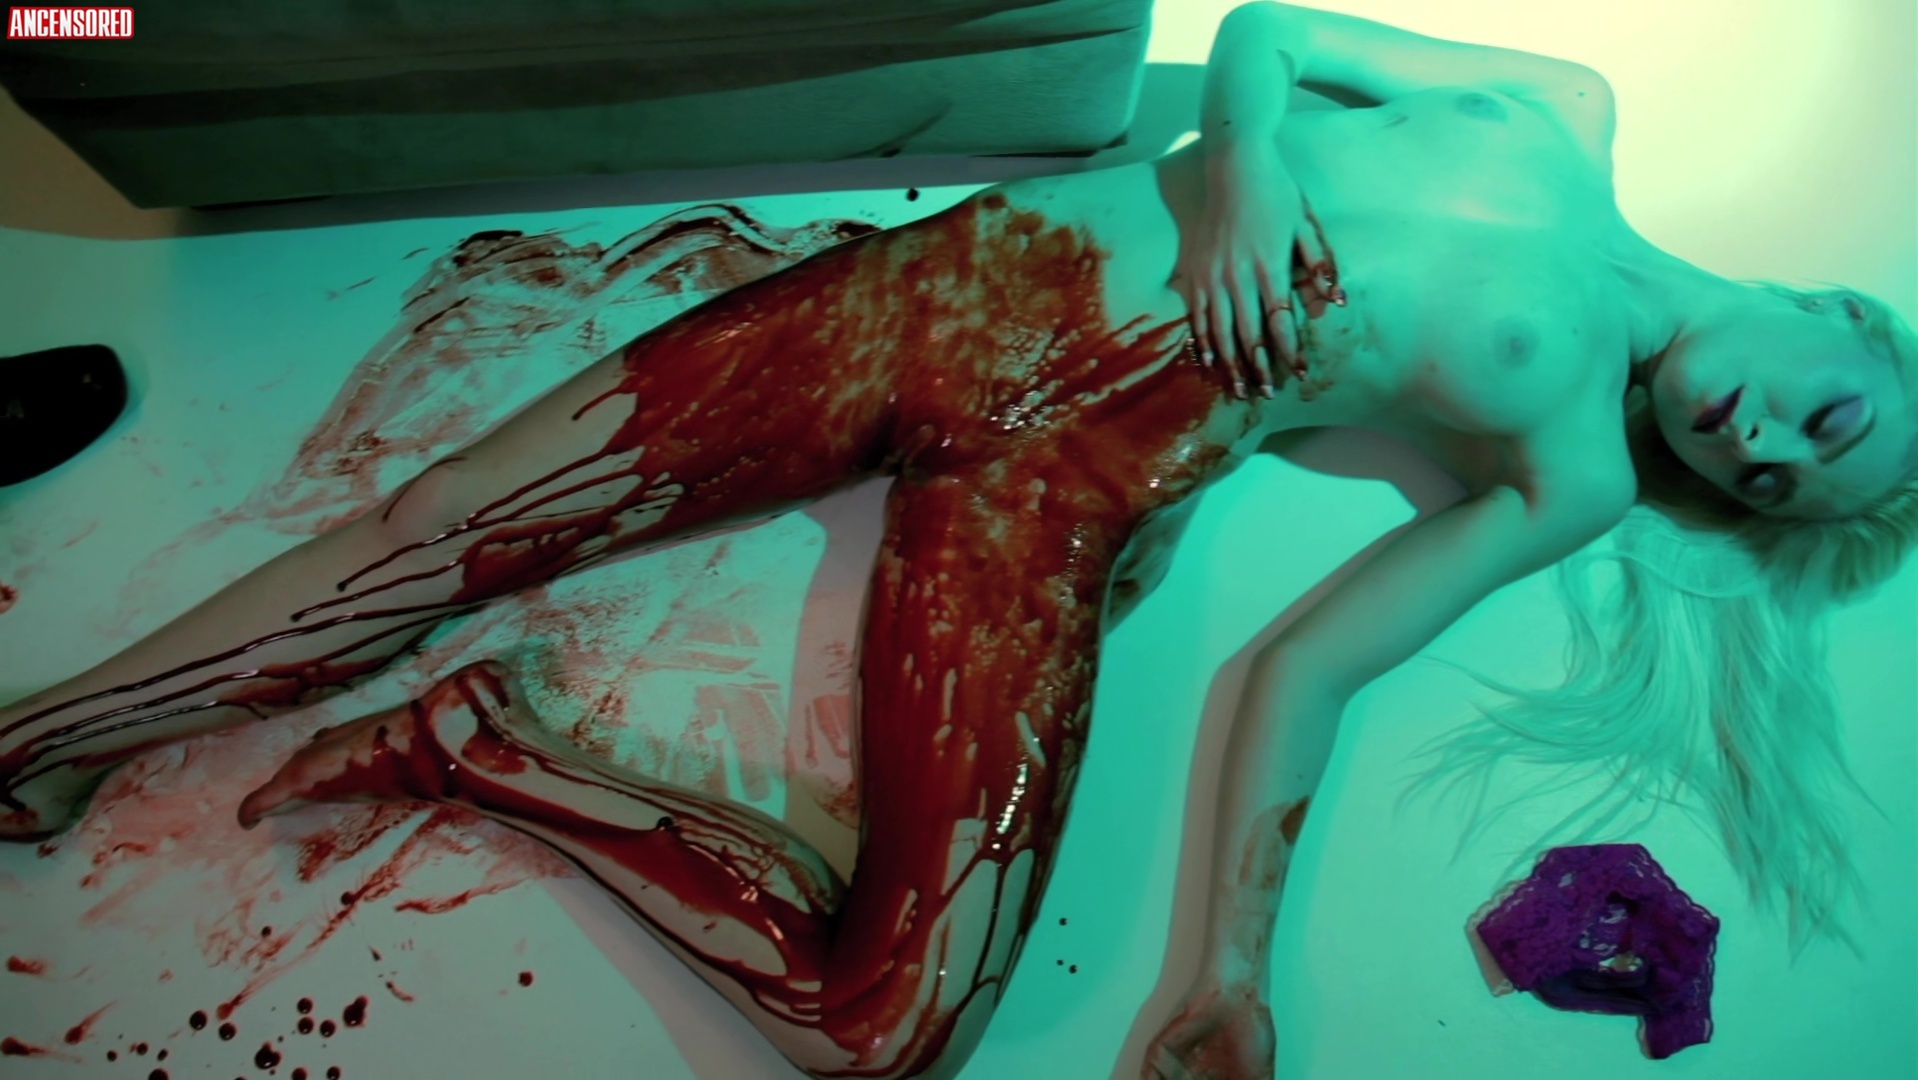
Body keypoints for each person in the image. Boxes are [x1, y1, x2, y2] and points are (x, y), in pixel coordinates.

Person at [2, 3, 1913, 1078]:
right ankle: (42, 740)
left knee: (890, 1038)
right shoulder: (1557, 107)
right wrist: (1246, 165)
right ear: (1843, 312)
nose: (1751, 444)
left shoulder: (1573, 472)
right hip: (955, 298)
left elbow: (1310, 666)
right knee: (442, 524)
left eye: (1770, 487)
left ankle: (482, 755)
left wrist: (1231, 970)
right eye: (1821, 420)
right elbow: (1264, 30)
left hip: (1053, 505)